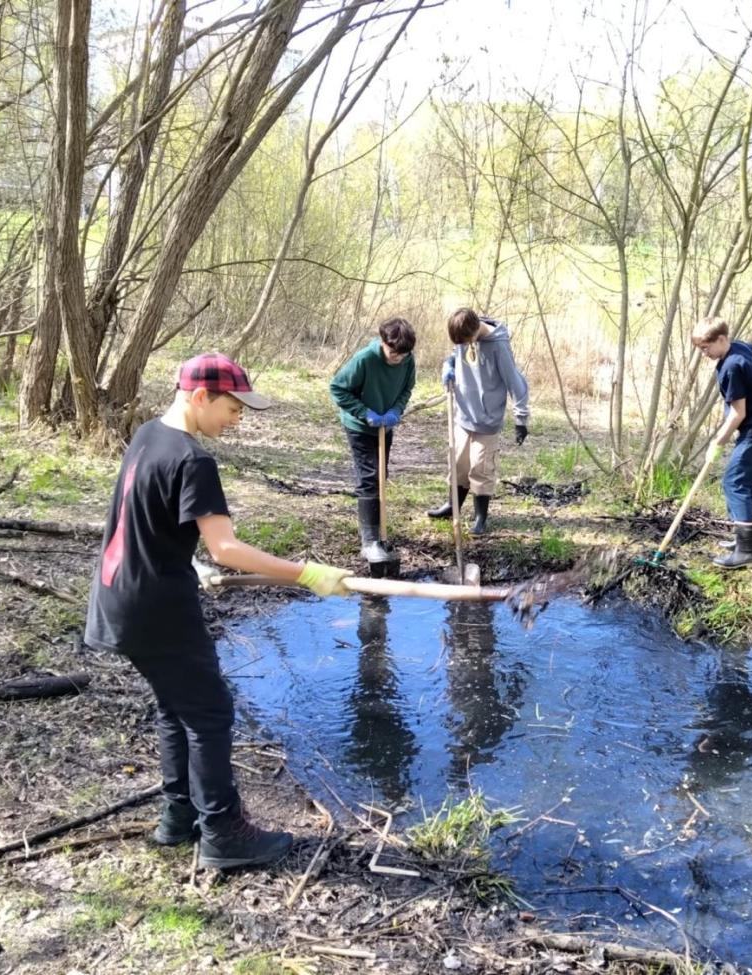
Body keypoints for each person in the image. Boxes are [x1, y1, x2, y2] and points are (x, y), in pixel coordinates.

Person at [84, 353, 352, 870]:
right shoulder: (193, 460)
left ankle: (178, 816)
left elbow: (140, 520)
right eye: (233, 407)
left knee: (175, 707)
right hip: (158, 606)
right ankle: (224, 832)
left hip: (118, 597)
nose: (238, 418)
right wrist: (306, 574)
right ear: (201, 397)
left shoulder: (146, 436)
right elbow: (226, 548)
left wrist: (186, 560)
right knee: (209, 714)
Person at [690, 318, 752, 568]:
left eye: (706, 347)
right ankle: (746, 543)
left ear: (722, 339)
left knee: (735, 482)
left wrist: (717, 442)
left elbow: (738, 413)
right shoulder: (740, 348)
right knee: (749, 484)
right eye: (701, 348)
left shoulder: (733, 366)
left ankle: (747, 553)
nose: (704, 354)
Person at [426, 307, 530, 535]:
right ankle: (452, 506)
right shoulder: (465, 335)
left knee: (480, 467)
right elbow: (455, 354)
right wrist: (449, 365)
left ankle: (480, 518)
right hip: (463, 414)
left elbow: (517, 383)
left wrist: (521, 419)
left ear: (475, 331)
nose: (462, 345)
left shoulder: (499, 346)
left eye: (465, 341)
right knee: (458, 464)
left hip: (487, 420)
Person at [329, 318, 417, 562]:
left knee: (380, 477)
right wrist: (363, 412)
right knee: (369, 477)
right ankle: (369, 543)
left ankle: (379, 534)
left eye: (402, 354)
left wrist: (396, 411)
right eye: (393, 352)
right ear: (382, 342)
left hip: (385, 425)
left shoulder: (408, 360)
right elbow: (337, 388)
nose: (397, 358)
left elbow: (407, 389)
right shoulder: (365, 359)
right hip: (360, 425)